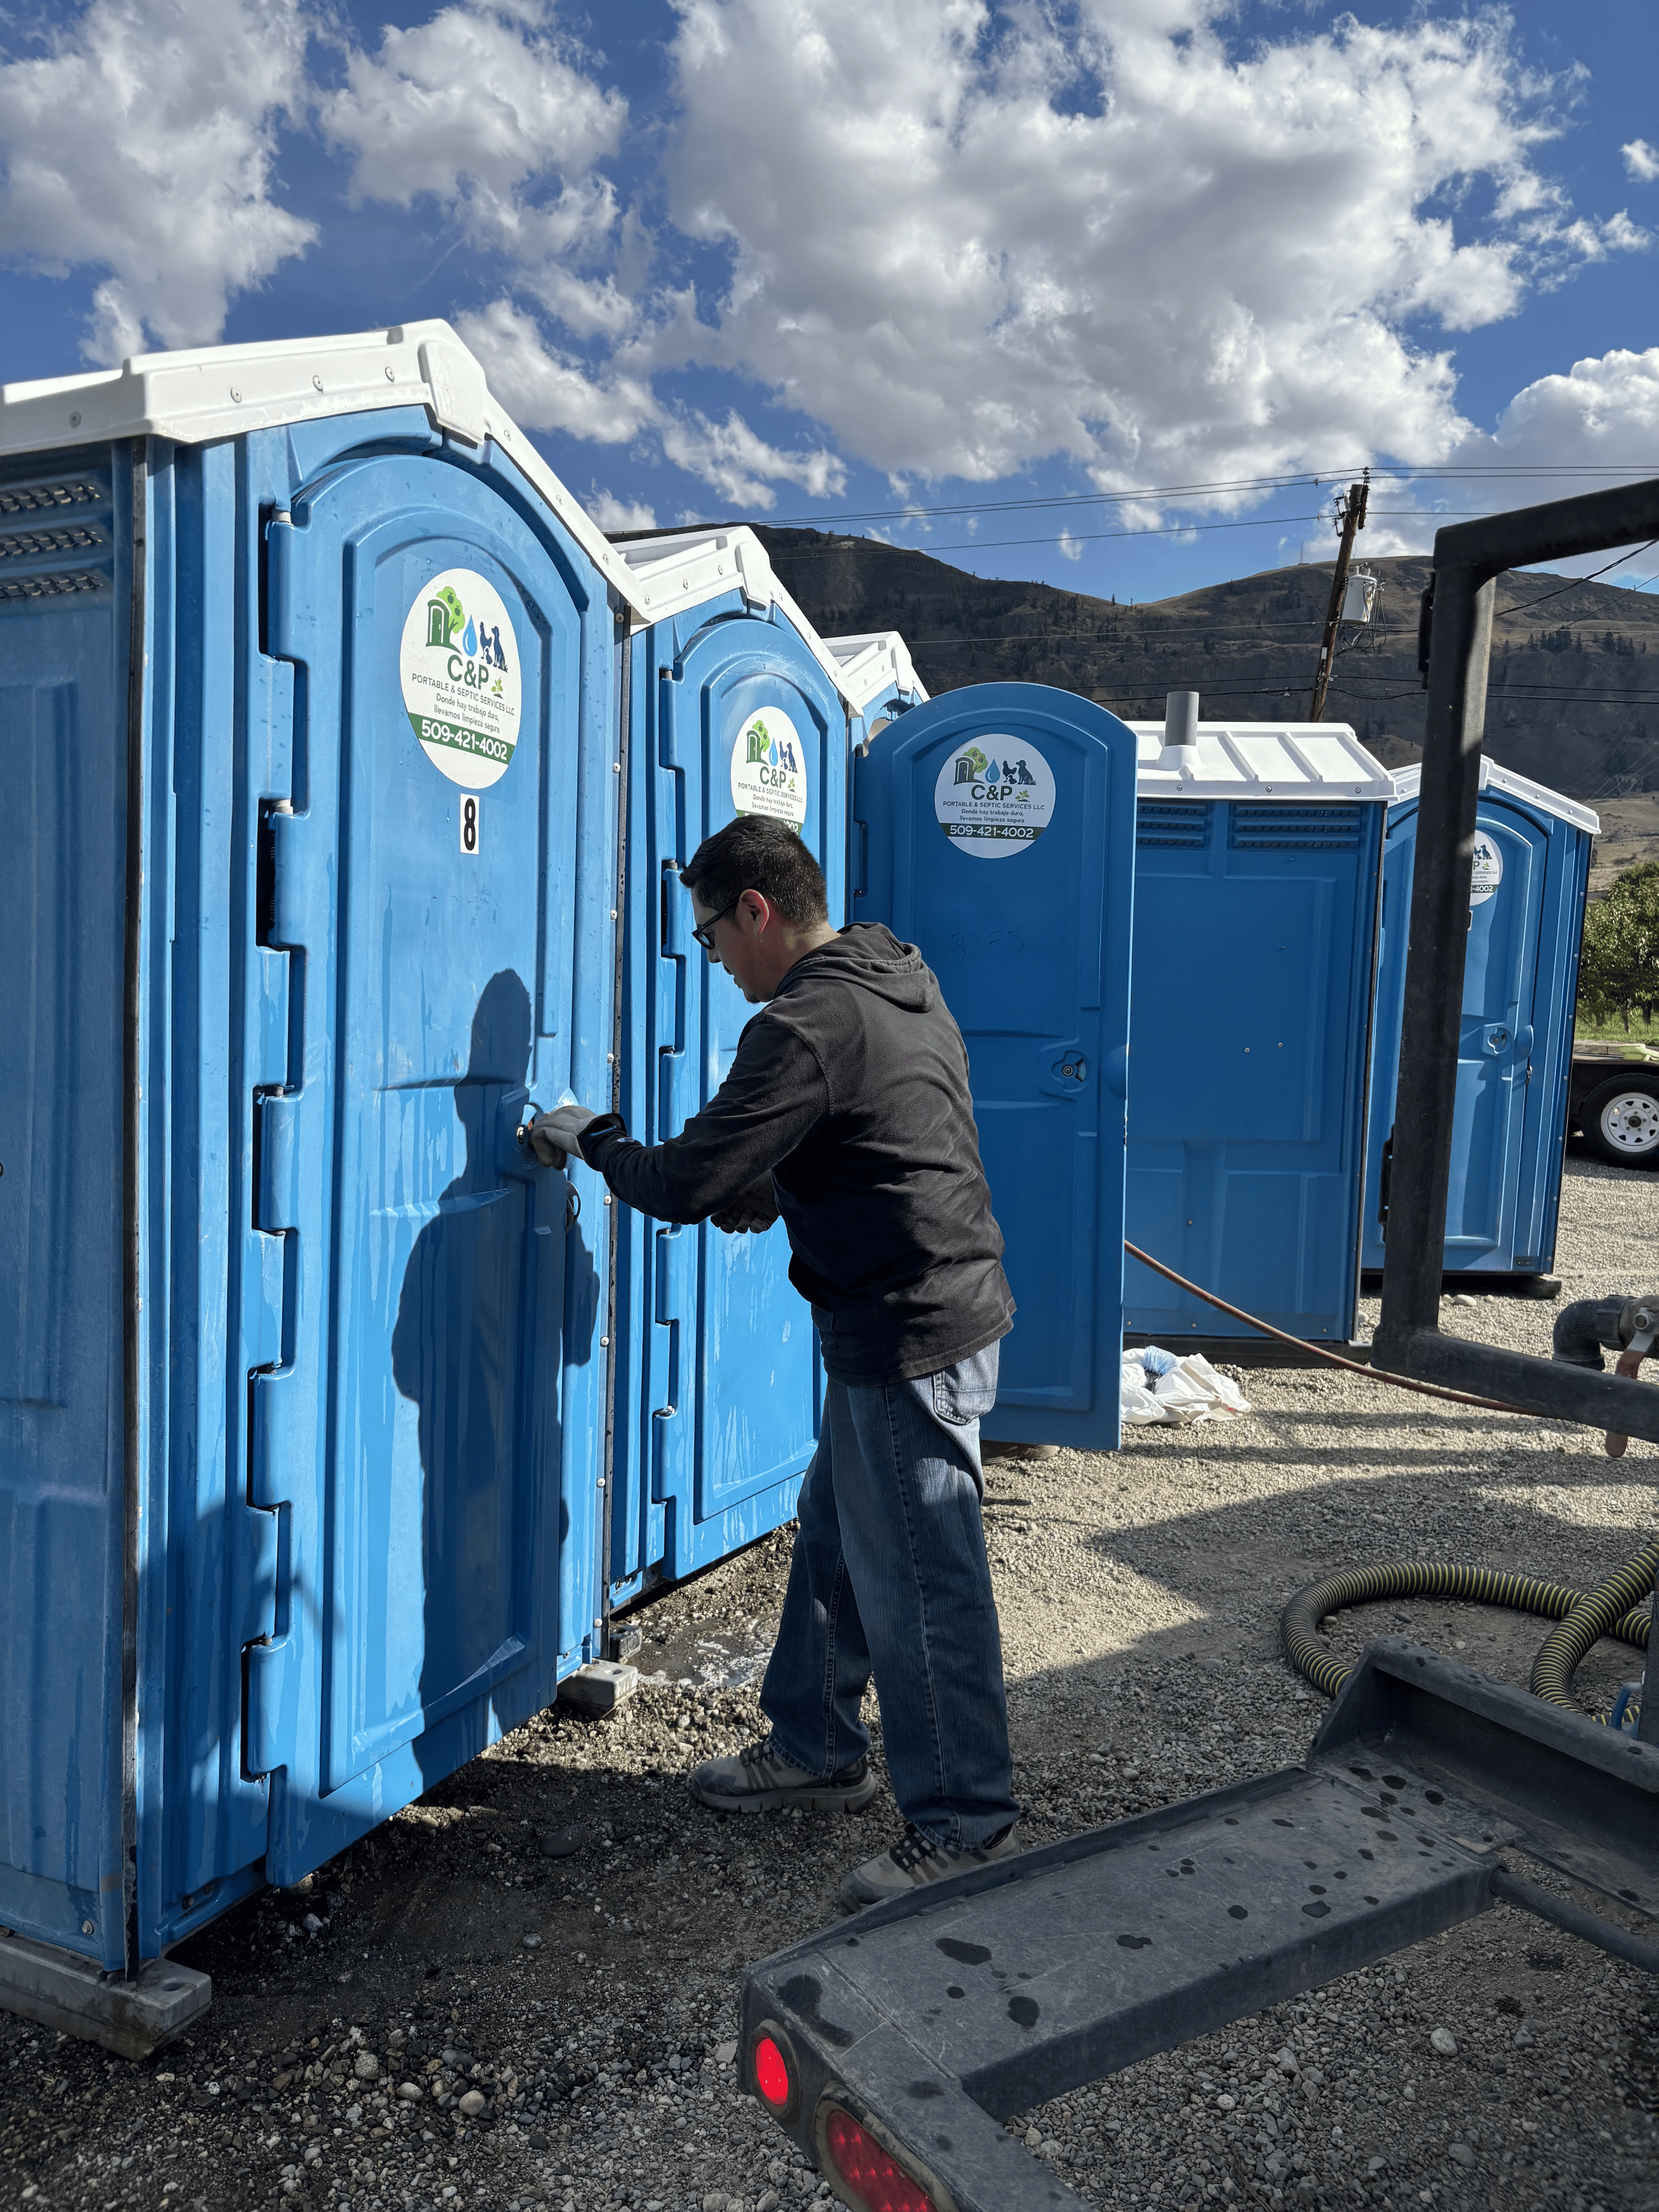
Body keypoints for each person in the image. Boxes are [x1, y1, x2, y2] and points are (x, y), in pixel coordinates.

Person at [529, 813, 1021, 1908]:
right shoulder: (891, 969)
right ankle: (812, 1742)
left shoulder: (805, 1022)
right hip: (917, 1308)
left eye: (709, 937)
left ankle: (963, 1826)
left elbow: (680, 1181)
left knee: (924, 1585)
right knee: (841, 1540)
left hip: (909, 1331)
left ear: (757, 911)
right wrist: (778, 1186)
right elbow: (877, 1126)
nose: (712, 960)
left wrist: (587, 1134)